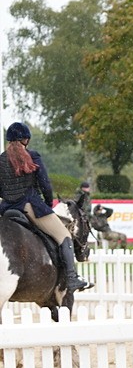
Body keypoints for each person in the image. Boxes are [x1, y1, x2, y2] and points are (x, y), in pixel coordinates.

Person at [0, 122, 93, 291]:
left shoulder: (0, 160)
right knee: (64, 235)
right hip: (30, 207)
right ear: (26, 140)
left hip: (6, 209)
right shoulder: (32, 156)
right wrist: (47, 204)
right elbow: (45, 184)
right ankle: (72, 278)